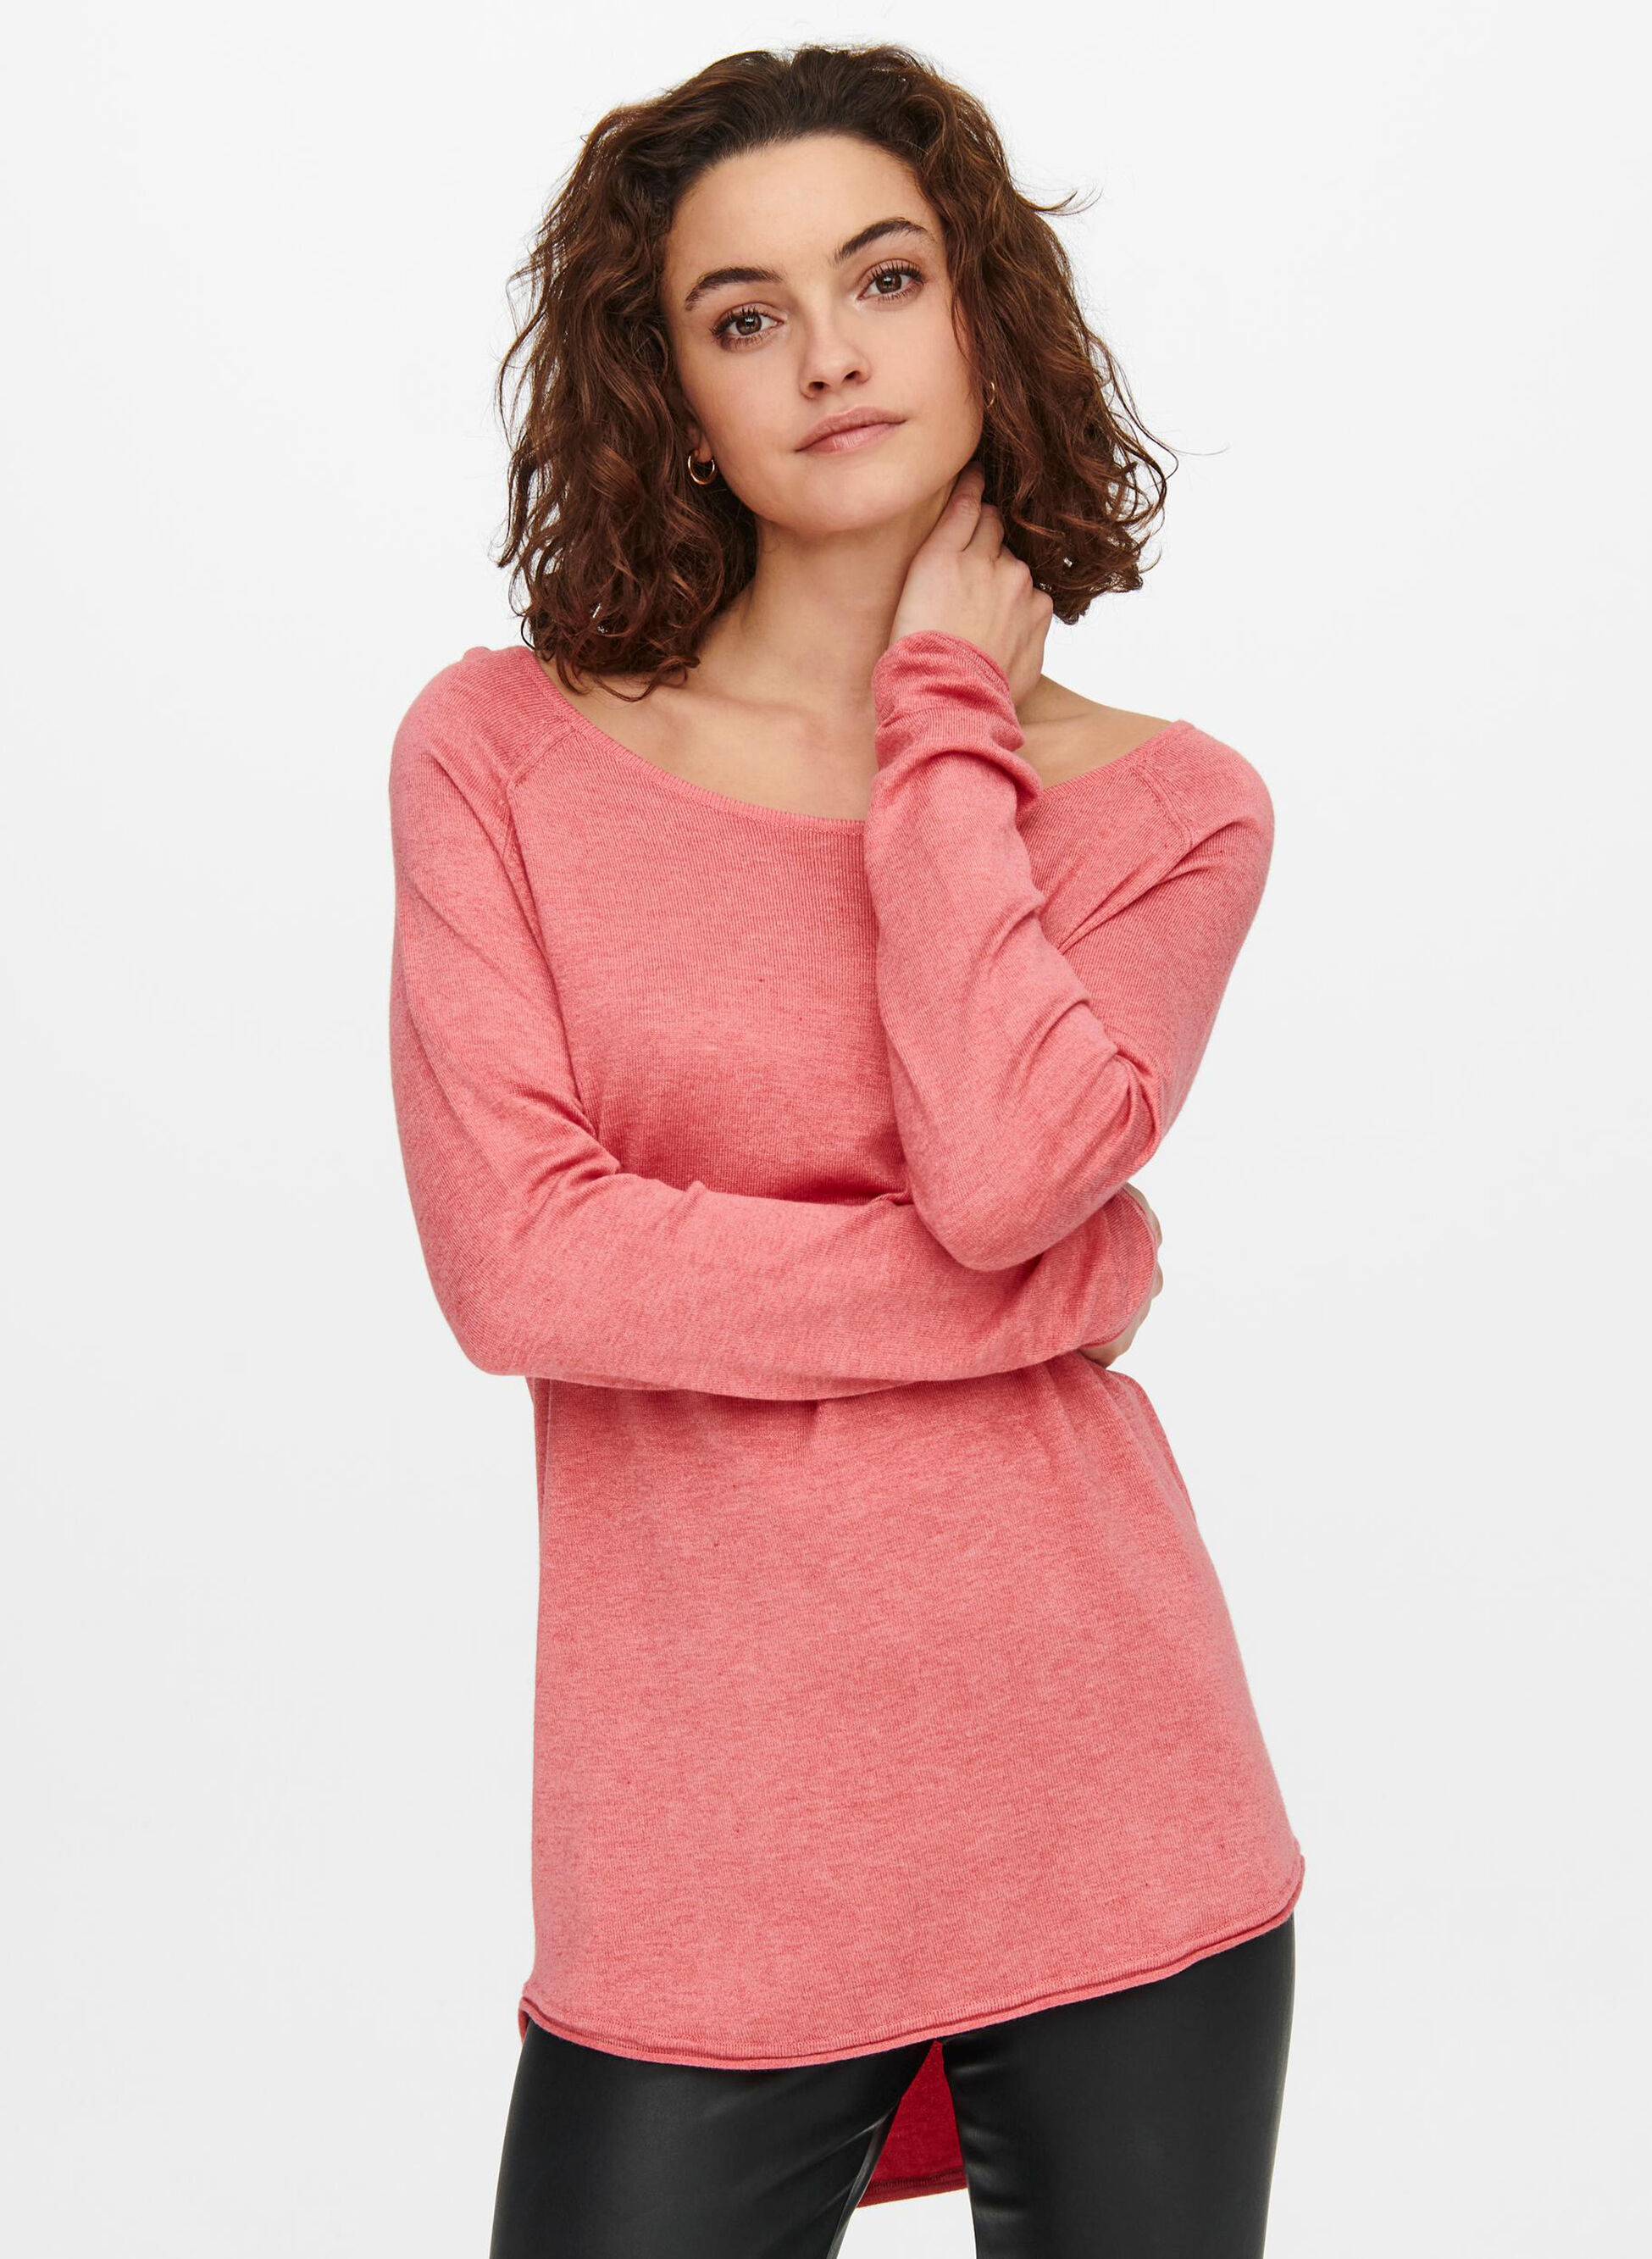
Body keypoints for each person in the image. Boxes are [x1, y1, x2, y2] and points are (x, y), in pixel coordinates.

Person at [386, 41, 1303, 2258]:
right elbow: (525, 1269)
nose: (829, 354)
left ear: (984, 311)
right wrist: (1058, 1291)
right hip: (701, 1852)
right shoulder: (498, 754)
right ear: (672, 393)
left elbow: (999, 1170)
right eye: (746, 312)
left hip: (1112, 1806)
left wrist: (945, 726)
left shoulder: (1173, 812)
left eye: (885, 278)